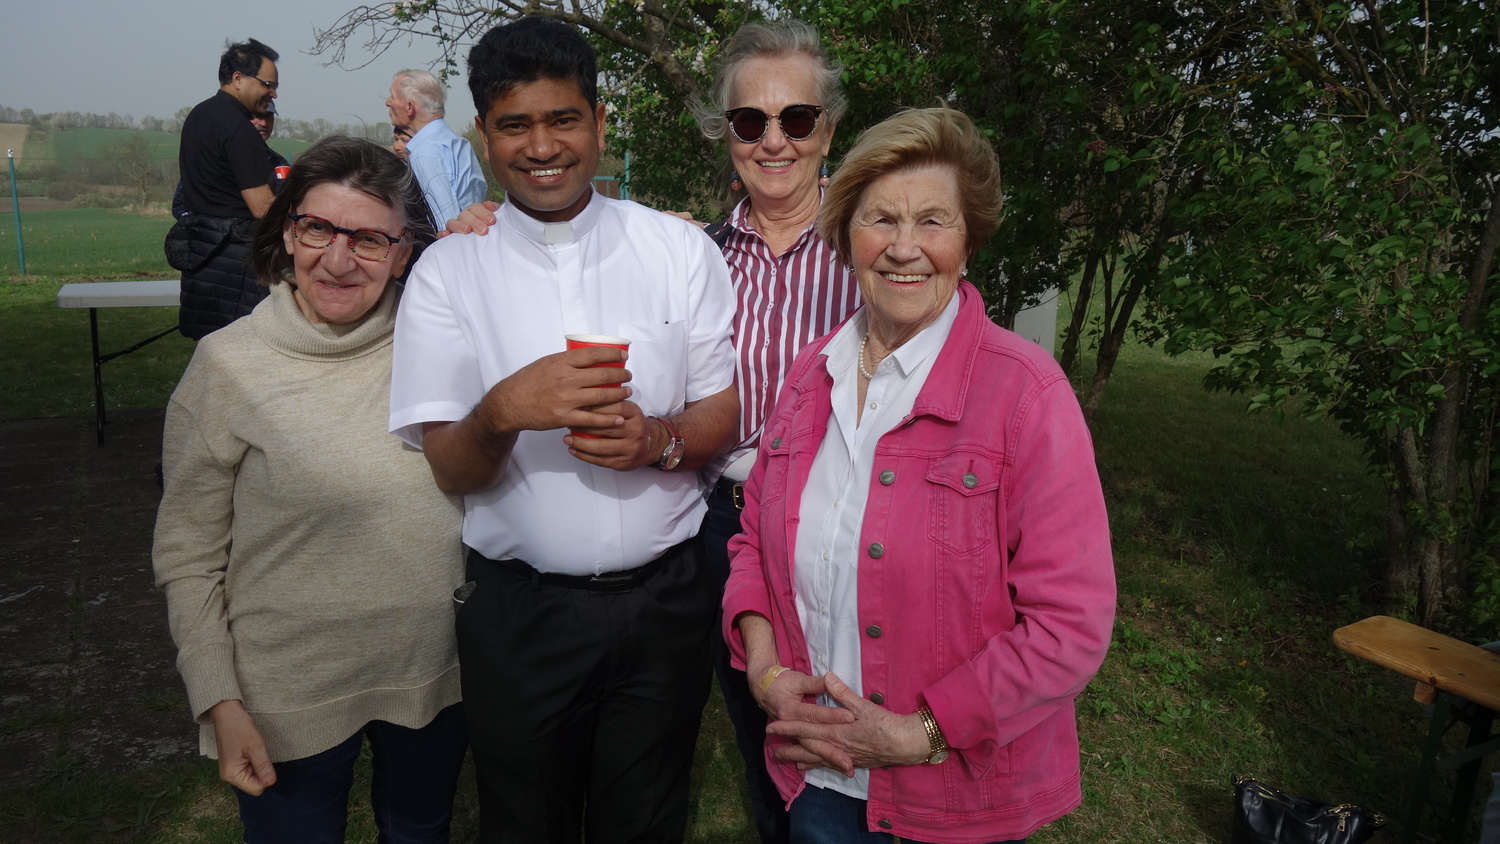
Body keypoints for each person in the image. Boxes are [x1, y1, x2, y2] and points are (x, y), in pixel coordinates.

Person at [445, 26, 858, 841]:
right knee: (760, 733)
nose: (774, 140)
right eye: (750, 121)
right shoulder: (695, 250)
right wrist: (489, 225)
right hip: (722, 525)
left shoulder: (869, 248)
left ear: (829, 128)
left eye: (798, 118)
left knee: (845, 728)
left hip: (838, 523)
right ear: (725, 132)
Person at [723, 106, 1117, 844]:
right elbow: (751, 540)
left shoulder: (1025, 394)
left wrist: (919, 735)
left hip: (952, 800)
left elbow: (1070, 624)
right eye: (881, 220)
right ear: (847, 236)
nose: (904, 247)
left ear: (969, 242)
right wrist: (765, 670)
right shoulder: (812, 376)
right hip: (818, 778)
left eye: (933, 221)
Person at [388, 16, 739, 844]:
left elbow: (721, 412)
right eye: (515, 125)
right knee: (524, 823)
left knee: (647, 820)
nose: (542, 146)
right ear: (482, 136)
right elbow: (450, 467)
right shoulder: (449, 271)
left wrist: (658, 439)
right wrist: (501, 411)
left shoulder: (678, 250)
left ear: (600, 123)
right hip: (522, 614)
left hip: (665, 602)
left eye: (563, 119)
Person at [153, 136, 466, 844]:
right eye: (318, 229)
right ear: (289, 233)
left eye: (369, 239)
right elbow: (187, 554)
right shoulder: (228, 366)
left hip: (434, 675)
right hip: (286, 690)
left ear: (404, 254)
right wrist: (217, 699)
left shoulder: (446, 347)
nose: (338, 259)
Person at [166, 37, 280, 339]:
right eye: (268, 84)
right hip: (236, 260)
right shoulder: (239, 128)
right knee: (241, 349)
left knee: (210, 349)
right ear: (238, 79)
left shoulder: (199, 115)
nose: (273, 93)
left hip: (201, 249)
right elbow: (262, 206)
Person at [386, 68, 487, 228]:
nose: (387, 102)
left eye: (392, 96)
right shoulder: (457, 142)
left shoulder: (424, 153)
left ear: (410, 107)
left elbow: (444, 224)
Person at [172, 102, 288, 219]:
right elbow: (180, 206)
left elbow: (287, 207)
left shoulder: (279, 163)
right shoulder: (215, 158)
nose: (263, 123)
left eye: (268, 116)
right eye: (255, 116)